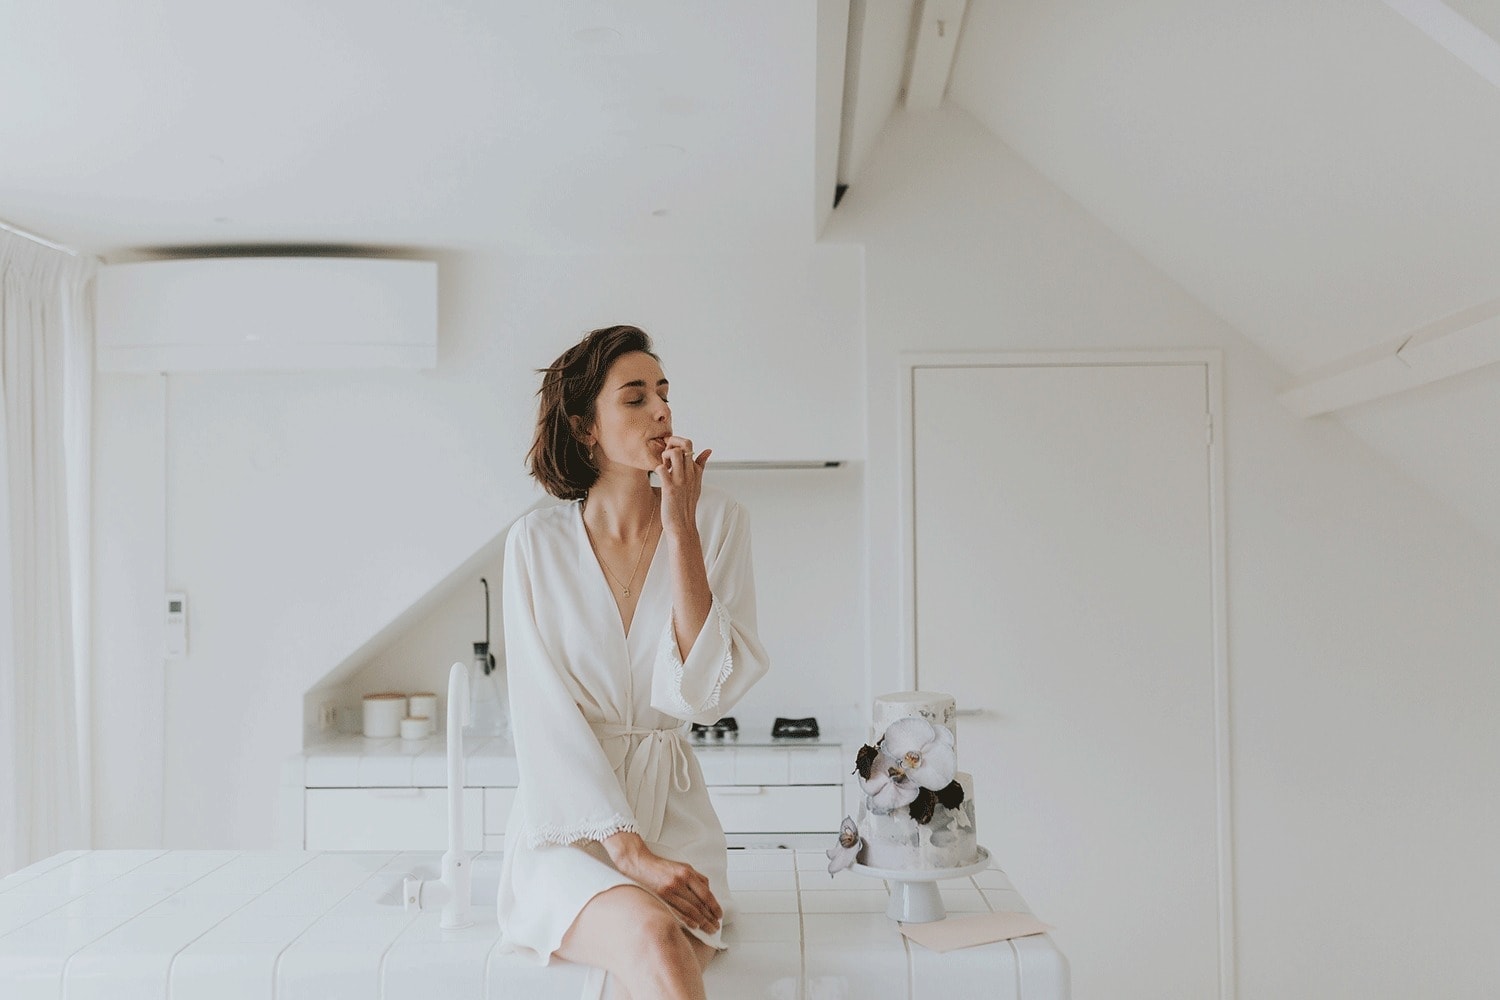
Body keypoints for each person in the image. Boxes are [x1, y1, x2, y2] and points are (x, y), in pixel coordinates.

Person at [496, 325, 770, 1000]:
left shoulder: (717, 521)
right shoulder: (535, 543)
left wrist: (681, 527)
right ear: (584, 426)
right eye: (636, 397)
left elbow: (702, 696)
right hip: (571, 825)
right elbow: (541, 717)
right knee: (653, 938)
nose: (662, 410)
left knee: (653, 966)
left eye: (665, 393)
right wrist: (630, 853)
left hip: (676, 819)